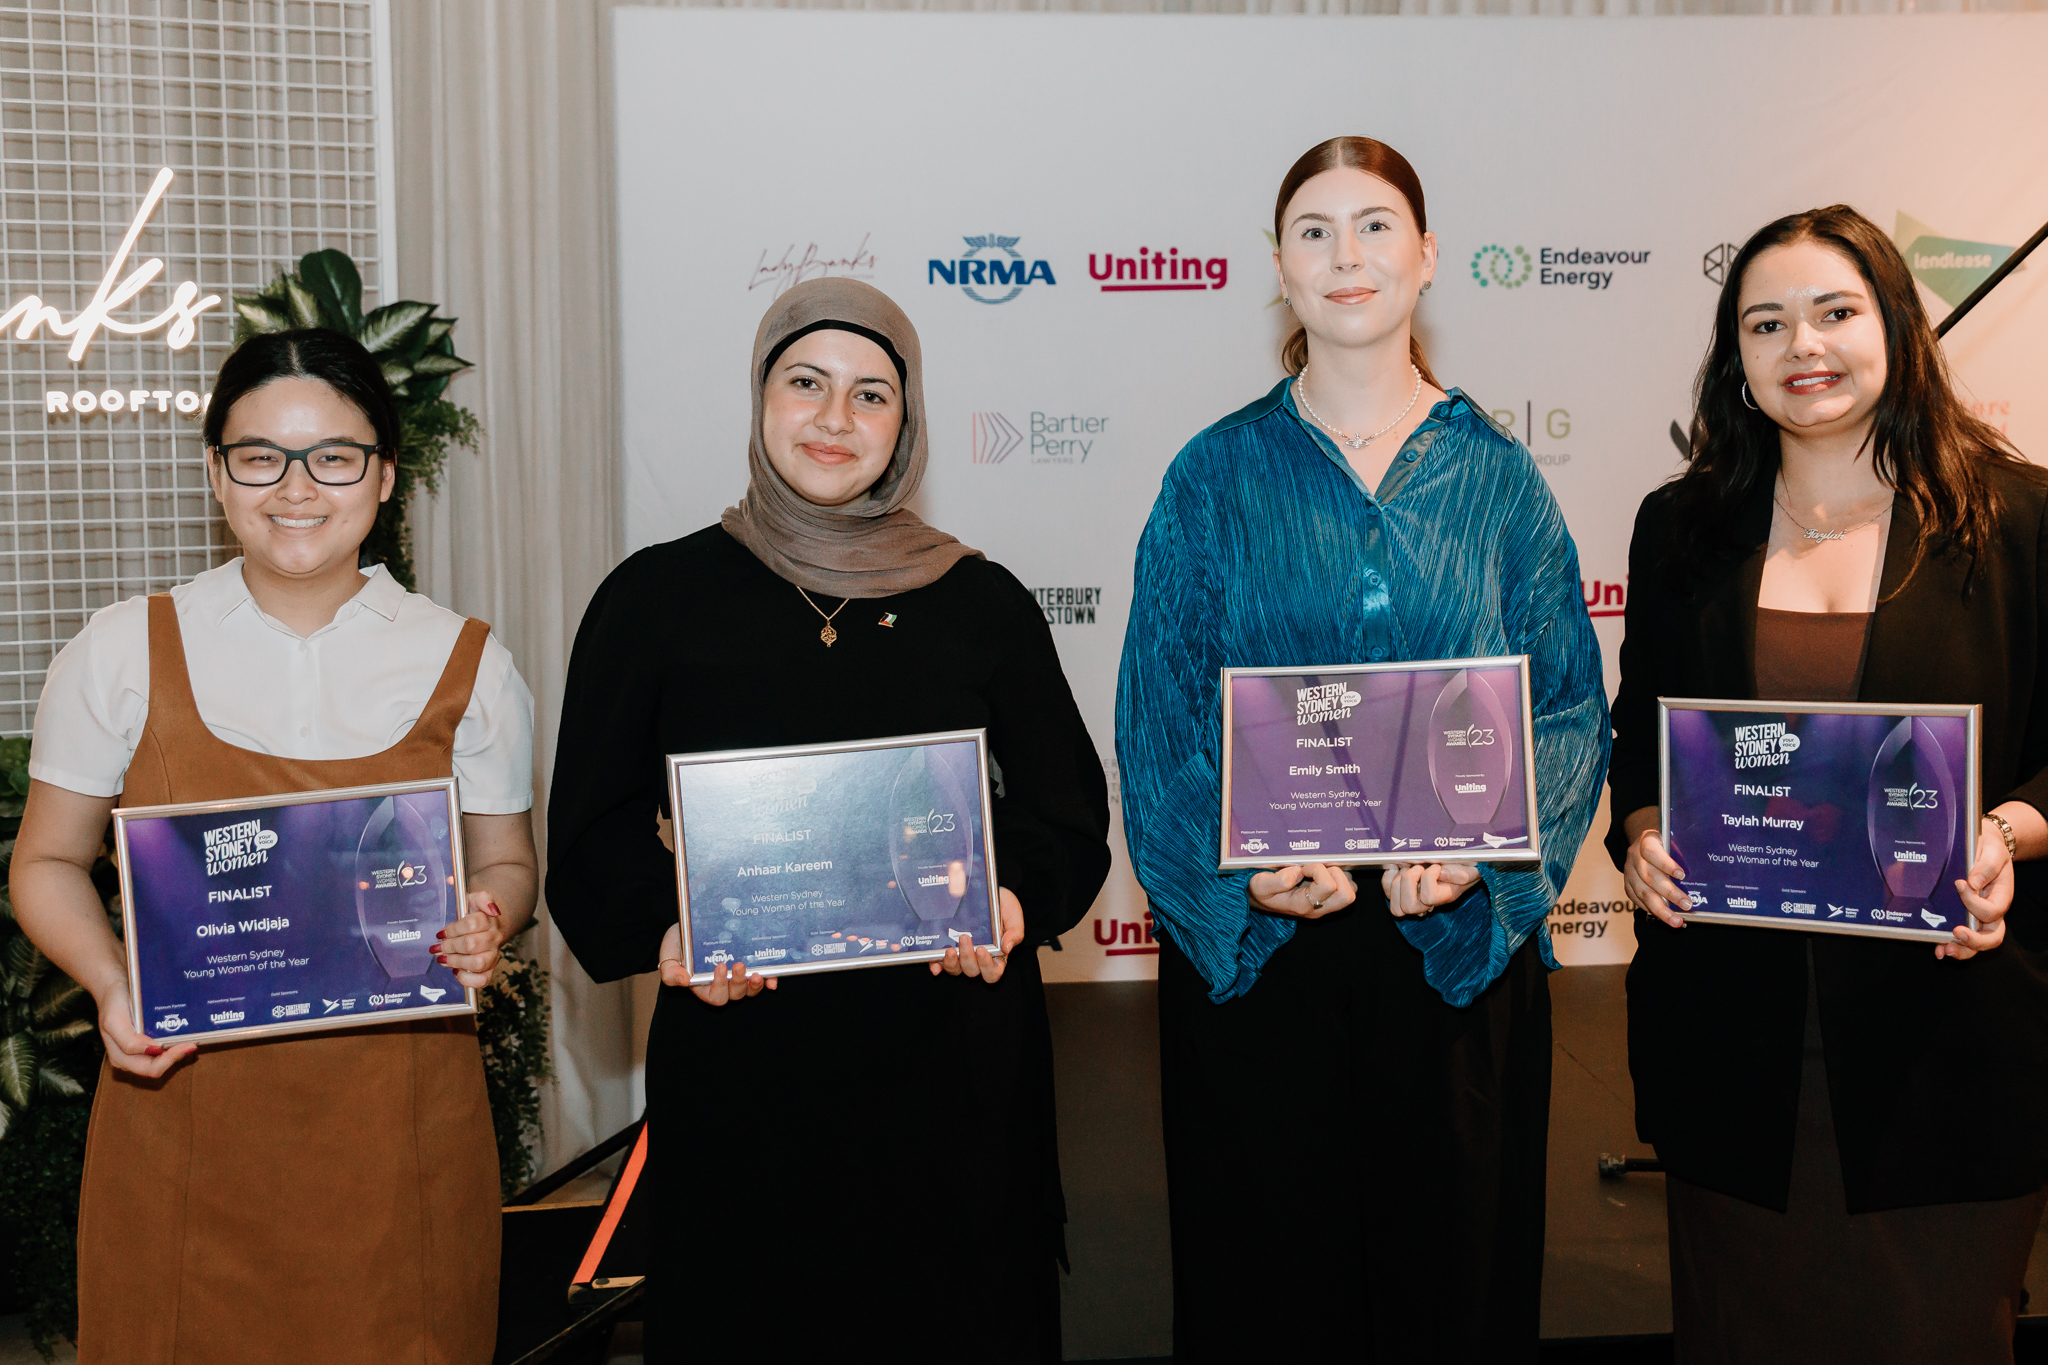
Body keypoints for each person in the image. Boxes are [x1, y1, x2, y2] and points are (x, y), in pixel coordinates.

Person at [545, 277, 1111, 1363]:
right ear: (760, 397)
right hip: (745, 1073)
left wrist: (1008, 902)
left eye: (870, 394)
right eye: (805, 383)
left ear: (905, 426)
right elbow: (591, 828)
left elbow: (1067, 813)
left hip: (951, 1079)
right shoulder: (654, 600)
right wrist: (670, 935)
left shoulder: (975, 598)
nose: (834, 419)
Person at [1115, 136, 1608, 1362]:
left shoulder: (1498, 481)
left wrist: (1488, 864)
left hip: (1449, 957)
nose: (1347, 256)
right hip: (1263, 958)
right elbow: (1158, 717)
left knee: (1453, 1290)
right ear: (1275, 269)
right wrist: (1235, 877)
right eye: (1315, 231)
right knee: (1266, 1292)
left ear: (1426, 256)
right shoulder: (1211, 477)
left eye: (1375, 225)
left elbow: (1561, 709)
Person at [10, 329, 538, 1364]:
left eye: (334, 456)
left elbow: (509, 864)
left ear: (384, 475)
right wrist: (113, 987)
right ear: (215, 470)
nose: (296, 488)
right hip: (182, 1117)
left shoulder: (467, 661)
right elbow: (44, 862)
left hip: (400, 1137)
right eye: (259, 456)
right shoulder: (119, 650)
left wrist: (489, 919)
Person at [1611, 205, 2048, 1365]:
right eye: (1765, 323)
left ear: (1895, 327)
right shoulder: (1679, 530)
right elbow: (1637, 734)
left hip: (1944, 1056)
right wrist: (1642, 829)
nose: (1802, 344)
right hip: (1733, 1055)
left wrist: (2000, 830)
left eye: (1833, 311)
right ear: (1736, 362)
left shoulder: (2015, 521)